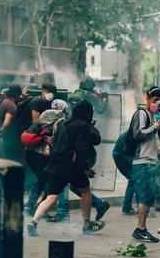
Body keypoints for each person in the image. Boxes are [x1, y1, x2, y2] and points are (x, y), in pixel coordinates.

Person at [26, 100, 105, 236]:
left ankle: (33, 222)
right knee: (85, 191)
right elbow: (80, 149)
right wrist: (85, 168)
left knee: (51, 197)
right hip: (72, 166)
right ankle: (87, 225)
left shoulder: (63, 123)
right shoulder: (83, 126)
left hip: (55, 165)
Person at [124, 86, 160, 243]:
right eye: (154, 100)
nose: (157, 102)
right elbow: (138, 134)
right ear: (147, 99)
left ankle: (141, 229)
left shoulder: (154, 116)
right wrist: (155, 126)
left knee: (148, 196)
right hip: (142, 161)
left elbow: (155, 142)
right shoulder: (142, 114)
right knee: (144, 196)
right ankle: (140, 229)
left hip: (151, 161)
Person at [52, 110, 111, 222]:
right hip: (77, 158)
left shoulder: (84, 126)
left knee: (64, 183)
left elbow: (96, 140)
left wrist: (85, 167)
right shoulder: (68, 123)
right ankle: (100, 204)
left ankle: (63, 213)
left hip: (85, 158)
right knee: (76, 186)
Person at [23, 104, 68, 216]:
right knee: (51, 183)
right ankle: (38, 209)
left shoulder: (45, 118)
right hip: (39, 155)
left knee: (42, 180)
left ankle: (31, 206)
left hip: (30, 153)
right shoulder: (55, 122)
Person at [113, 129, 136, 215]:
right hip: (121, 155)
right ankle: (127, 208)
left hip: (119, 154)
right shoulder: (139, 131)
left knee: (133, 180)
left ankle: (127, 207)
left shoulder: (133, 130)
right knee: (134, 179)